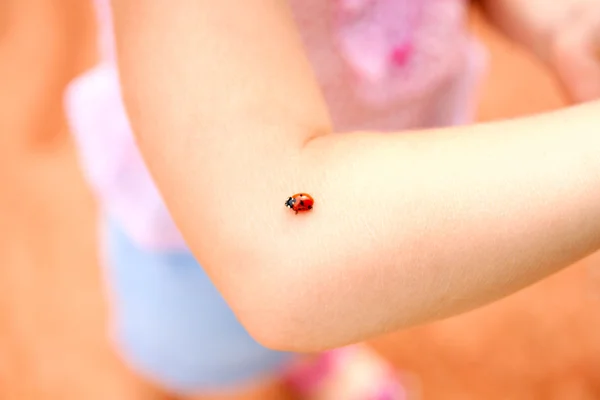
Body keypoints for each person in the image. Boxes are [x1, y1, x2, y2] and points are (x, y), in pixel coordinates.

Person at [64, 0, 600, 399]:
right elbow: (283, 247)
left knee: (340, 299)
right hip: (192, 242)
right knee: (208, 360)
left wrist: (560, 22)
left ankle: (313, 356)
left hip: (371, 166)